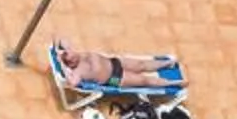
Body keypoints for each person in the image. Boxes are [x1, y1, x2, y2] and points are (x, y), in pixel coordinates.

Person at [53, 40, 183, 92]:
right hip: (114, 78)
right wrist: (62, 65)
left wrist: (60, 51)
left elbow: (63, 41)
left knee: (141, 64)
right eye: (71, 56)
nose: (74, 53)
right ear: (70, 63)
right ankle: (173, 83)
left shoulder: (79, 55)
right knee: (144, 80)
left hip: (115, 62)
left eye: (71, 52)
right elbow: (73, 83)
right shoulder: (78, 71)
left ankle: (167, 63)